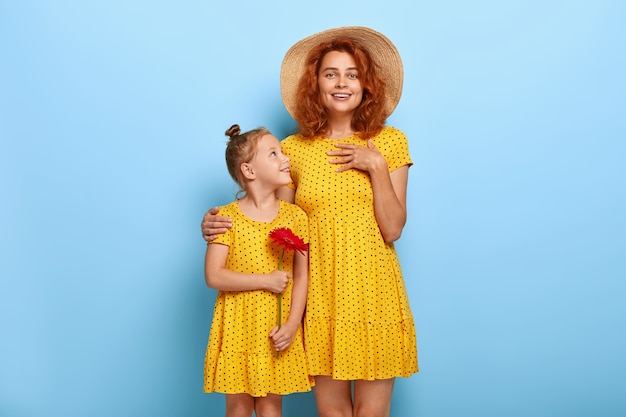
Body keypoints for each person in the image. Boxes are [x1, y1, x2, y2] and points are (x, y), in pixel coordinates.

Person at [203, 27, 418, 417]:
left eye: (352, 74)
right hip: (318, 291)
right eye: (330, 73)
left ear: (366, 84)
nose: (342, 82)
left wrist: (376, 167)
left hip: (374, 290)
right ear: (315, 84)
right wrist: (220, 223)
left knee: (373, 412)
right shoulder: (293, 149)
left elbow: (393, 229)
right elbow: (274, 221)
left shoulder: (390, 142)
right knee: (331, 411)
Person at [203, 124, 312, 417]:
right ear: (249, 171)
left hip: (274, 330)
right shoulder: (226, 218)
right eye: (273, 154)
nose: (285, 158)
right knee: (238, 407)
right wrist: (265, 280)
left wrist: (291, 325)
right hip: (238, 328)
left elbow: (302, 275)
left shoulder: (296, 216)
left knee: (270, 407)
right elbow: (214, 275)